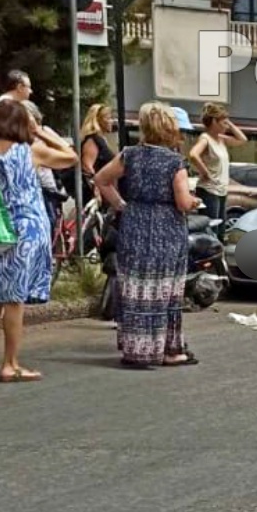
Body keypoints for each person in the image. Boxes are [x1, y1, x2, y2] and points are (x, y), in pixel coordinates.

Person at [94, 102, 201, 369]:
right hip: (167, 227)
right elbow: (182, 202)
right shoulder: (174, 161)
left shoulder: (129, 155)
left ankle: (136, 349)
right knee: (165, 288)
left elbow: (101, 179)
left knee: (136, 286)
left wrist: (121, 205)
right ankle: (169, 350)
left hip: (135, 223)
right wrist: (194, 203)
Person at [0, 98, 78, 382]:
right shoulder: (29, 151)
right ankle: (10, 364)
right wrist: (40, 131)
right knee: (14, 299)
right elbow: (70, 156)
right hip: (25, 230)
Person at [187, 102, 247, 229]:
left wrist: (229, 122)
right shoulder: (205, 138)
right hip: (209, 190)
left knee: (221, 229)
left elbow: (242, 139)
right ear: (214, 121)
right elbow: (193, 154)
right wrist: (205, 173)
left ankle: (219, 248)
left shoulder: (221, 139)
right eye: (224, 123)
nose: (226, 126)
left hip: (221, 190)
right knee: (212, 229)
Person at [22, 101, 68, 233]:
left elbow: (67, 153)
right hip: (26, 189)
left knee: (49, 222)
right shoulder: (13, 136)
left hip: (45, 188)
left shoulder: (44, 132)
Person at [80, 104, 115, 204]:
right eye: (108, 118)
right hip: (97, 195)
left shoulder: (101, 140)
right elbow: (87, 166)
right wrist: (96, 189)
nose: (112, 121)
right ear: (98, 120)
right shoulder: (92, 139)